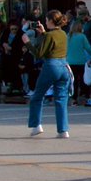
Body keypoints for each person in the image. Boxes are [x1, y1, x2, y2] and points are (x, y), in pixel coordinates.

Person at [26, 10, 71, 138]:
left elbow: (39, 54)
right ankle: (63, 130)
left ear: (51, 21)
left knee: (37, 96)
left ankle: (36, 125)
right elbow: (53, 43)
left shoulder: (49, 35)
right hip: (64, 66)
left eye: (46, 20)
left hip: (51, 66)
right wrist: (44, 33)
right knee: (61, 99)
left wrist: (27, 43)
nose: (45, 22)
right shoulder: (63, 34)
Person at [65, 21, 91, 104]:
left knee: (73, 81)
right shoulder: (82, 36)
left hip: (69, 61)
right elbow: (88, 48)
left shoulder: (68, 36)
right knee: (83, 79)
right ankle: (85, 95)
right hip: (80, 61)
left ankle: (73, 97)